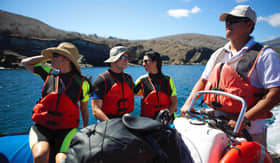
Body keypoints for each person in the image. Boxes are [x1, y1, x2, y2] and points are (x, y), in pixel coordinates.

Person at [180, 5, 280, 147]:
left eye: (233, 20)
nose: (228, 23)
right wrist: (188, 103)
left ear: (249, 24)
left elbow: (275, 94)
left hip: (250, 130)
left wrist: (244, 119)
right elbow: (203, 81)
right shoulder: (218, 54)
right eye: (227, 20)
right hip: (216, 124)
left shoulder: (265, 55)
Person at [21, 42, 92, 163]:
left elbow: (84, 109)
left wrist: (85, 130)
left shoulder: (82, 83)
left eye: (55, 55)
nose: (51, 58)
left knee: (62, 159)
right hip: (43, 127)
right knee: (40, 156)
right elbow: (25, 63)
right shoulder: (48, 73)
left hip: (66, 129)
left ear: (67, 59)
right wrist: (47, 56)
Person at [91, 46, 134, 122]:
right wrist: (110, 124)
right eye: (122, 57)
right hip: (107, 123)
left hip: (126, 121)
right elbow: (96, 110)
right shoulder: (101, 80)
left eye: (127, 58)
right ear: (113, 60)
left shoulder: (128, 78)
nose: (126, 60)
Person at [134, 51, 177, 119]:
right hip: (148, 122)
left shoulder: (168, 80)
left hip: (167, 120)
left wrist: (165, 117)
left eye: (146, 61)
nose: (143, 64)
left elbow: (174, 103)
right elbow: (129, 95)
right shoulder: (141, 80)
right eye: (143, 62)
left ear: (155, 62)